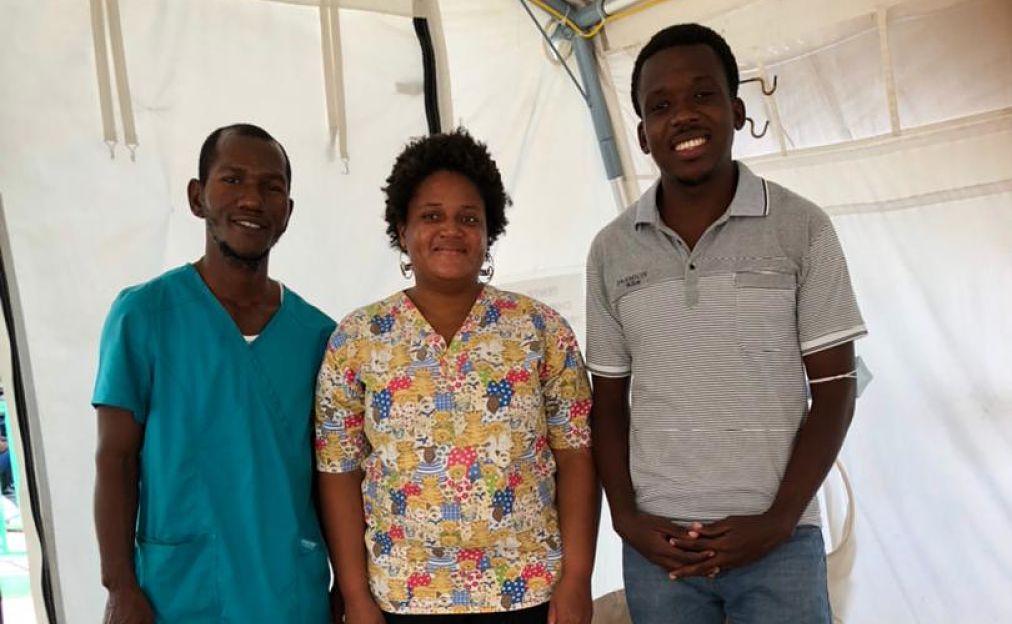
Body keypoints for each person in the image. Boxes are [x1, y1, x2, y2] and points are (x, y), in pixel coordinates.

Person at [586, 24, 867, 624]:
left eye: (703, 95)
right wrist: (627, 518)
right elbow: (607, 402)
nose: (682, 116)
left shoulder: (801, 228)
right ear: (641, 134)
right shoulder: (612, 251)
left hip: (779, 544)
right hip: (661, 551)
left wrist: (778, 519)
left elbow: (836, 389)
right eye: (660, 106)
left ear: (736, 110)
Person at [315, 129, 597, 624]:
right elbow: (338, 471)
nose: (451, 229)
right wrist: (356, 595)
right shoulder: (357, 339)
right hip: (403, 595)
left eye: (469, 218)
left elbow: (575, 455)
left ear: (489, 233)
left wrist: (577, 579)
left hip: (528, 591)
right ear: (401, 230)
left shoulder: (539, 329)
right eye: (431, 216)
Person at [92, 123, 337, 623]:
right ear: (197, 197)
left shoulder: (319, 336)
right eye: (233, 180)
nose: (252, 199)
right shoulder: (144, 315)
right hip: (180, 592)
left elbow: (331, 477)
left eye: (272, 187)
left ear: (287, 212)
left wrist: (348, 590)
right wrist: (120, 585)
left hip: (289, 592)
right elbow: (115, 460)